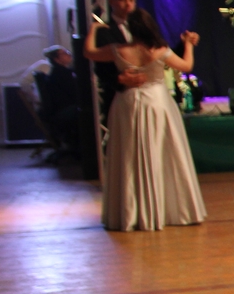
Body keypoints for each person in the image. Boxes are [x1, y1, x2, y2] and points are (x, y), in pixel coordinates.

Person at [85, 13, 206, 231]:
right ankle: (165, 207)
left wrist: (93, 29)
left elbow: (89, 52)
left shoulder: (118, 50)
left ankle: (132, 212)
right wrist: (188, 45)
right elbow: (186, 66)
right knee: (161, 152)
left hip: (128, 103)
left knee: (129, 155)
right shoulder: (160, 50)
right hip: (157, 103)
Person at [83, 0, 149, 119]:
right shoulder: (103, 31)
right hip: (120, 97)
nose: (128, 4)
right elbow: (100, 67)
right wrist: (119, 79)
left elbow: (159, 53)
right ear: (111, 1)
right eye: (122, 0)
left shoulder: (145, 28)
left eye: (131, 0)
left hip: (148, 95)